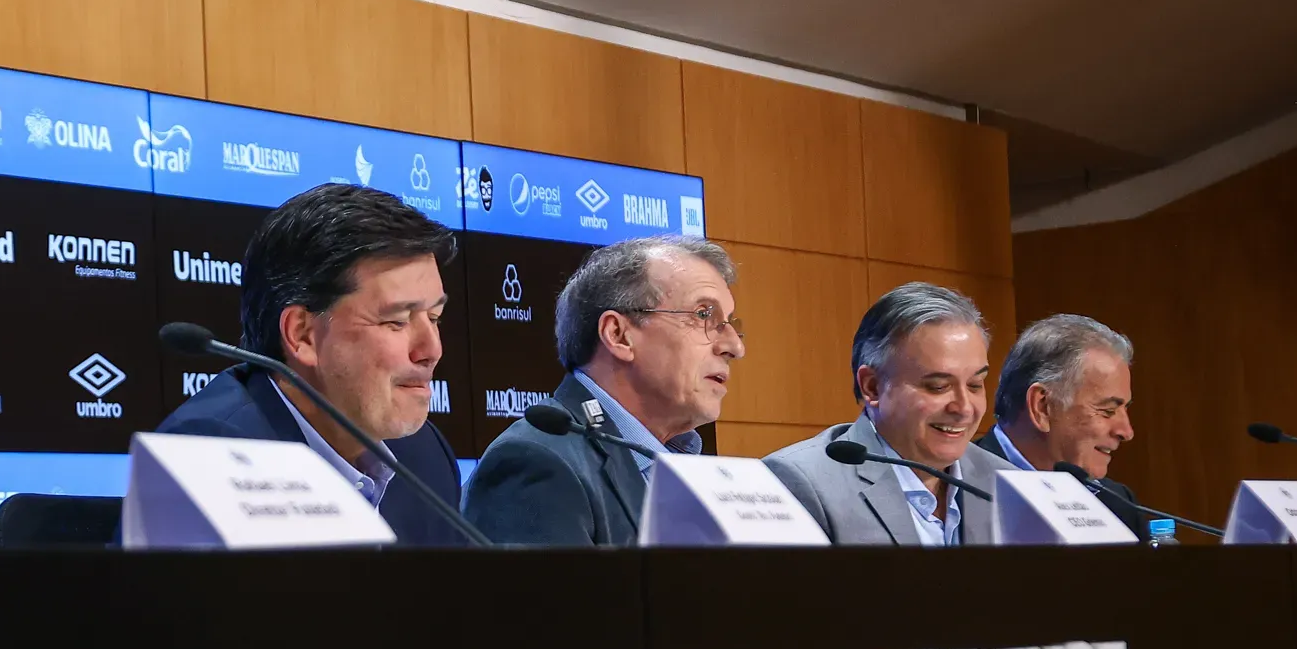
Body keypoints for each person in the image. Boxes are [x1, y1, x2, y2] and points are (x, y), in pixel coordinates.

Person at [152, 183, 465, 546]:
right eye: (396, 321)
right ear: (302, 335)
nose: (432, 350)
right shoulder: (212, 458)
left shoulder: (423, 456)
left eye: (434, 318)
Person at [463, 236, 742, 545]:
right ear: (618, 335)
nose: (734, 346)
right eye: (703, 315)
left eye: (730, 323)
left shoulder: (688, 466)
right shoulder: (538, 463)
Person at [765, 282, 1007, 546]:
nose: (964, 408)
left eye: (975, 385)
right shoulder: (801, 483)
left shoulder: (1009, 483)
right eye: (938, 386)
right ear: (872, 386)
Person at [980, 314, 1145, 532]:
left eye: (1125, 409)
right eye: (1107, 411)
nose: (1126, 432)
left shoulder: (1119, 504)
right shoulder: (954, 490)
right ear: (1042, 406)